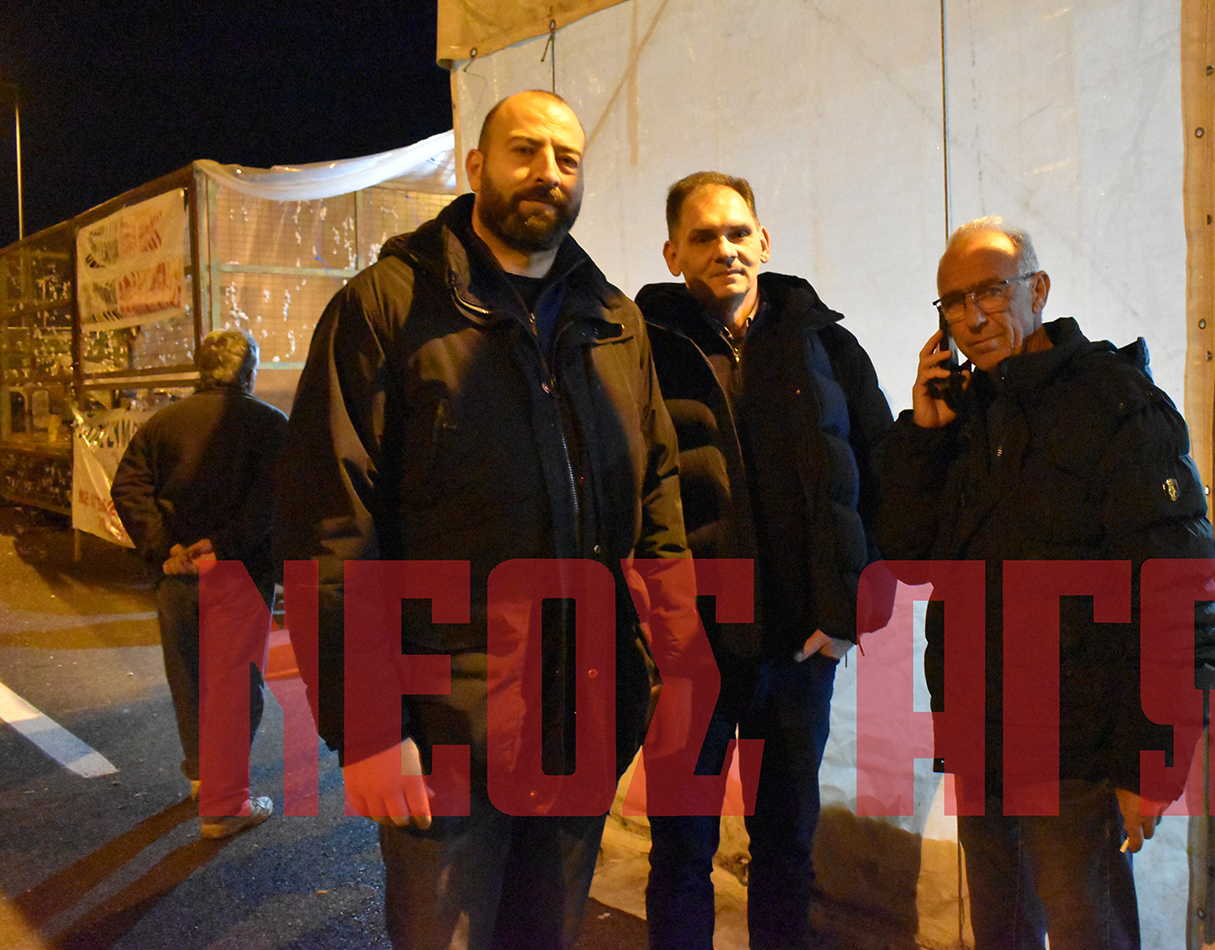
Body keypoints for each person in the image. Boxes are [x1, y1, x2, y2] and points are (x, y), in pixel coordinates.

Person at [274, 90, 702, 950]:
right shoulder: (386, 308)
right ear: (475, 168)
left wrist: (674, 667)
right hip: (446, 729)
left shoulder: (614, 322)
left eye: (567, 158)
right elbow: (332, 528)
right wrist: (369, 729)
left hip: (583, 717)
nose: (548, 172)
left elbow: (658, 504)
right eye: (525, 151)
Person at [877, 216, 1215, 950]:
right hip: (980, 730)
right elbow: (908, 557)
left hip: (1078, 746)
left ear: (1037, 290)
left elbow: (1179, 583)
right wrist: (925, 434)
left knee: (1086, 931)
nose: (972, 317)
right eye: (952, 301)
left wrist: (1152, 756)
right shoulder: (966, 412)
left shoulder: (1114, 400)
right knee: (999, 928)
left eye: (990, 291)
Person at [634, 172, 893, 950]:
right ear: (673, 253)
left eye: (738, 232)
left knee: (785, 848)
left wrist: (848, 615)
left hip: (796, 652)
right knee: (681, 853)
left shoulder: (825, 346)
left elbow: (879, 477)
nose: (725, 248)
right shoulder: (638, 353)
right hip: (690, 656)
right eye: (704, 236)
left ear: (764, 242)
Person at [111, 329, 287, 839]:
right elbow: (276, 500)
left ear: (201, 369)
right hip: (238, 574)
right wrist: (222, 546)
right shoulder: (269, 425)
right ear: (248, 373)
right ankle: (225, 806)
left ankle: (203, 777)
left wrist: (165, 547)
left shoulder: (162, 424)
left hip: (175, 577)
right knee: (237, 686)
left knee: (189, 678)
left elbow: (128, 487)